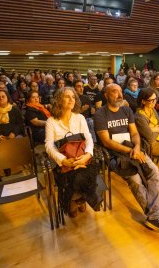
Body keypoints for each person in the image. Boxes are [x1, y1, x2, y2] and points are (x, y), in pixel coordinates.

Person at [94, 84, 159, 238]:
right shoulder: (100, 114)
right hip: (115, 155)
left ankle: (154, 217)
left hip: (133, 149)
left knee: (153, 171)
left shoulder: (126, 110)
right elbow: (106, 142)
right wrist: (130, 151)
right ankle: (156, 217)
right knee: (135, 179)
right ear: (106, 95)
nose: (119, 95)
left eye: (120, 91)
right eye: (114, 92)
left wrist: (136, 147)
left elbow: (135, 133)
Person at [45, 87, 102, 218]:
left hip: (82, 157)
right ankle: (83, 199)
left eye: (73, 97)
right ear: (59, 100)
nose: (72, 99)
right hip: (64, 162)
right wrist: (63, 160)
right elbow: (49, 146)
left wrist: (87, 155)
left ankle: (76, 200)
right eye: (67, 96)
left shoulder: (80, 118)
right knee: (79, 175)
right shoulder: (51, 121)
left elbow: (88, 138)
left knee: (87, 171)